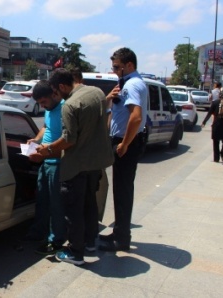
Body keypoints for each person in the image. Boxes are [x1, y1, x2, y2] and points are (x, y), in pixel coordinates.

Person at [36, 68, 114, 265]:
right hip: (96, 163)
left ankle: (75, 253)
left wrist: (47, 149)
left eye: (55, 91)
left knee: (73, 211)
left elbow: (68, 140)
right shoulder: (97, 93)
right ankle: (89, 243)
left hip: (77, 165)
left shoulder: (70, 105)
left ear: (62, 86)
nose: (56, 95)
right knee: (90, 205)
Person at [99, 47, 148, 252]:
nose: (114, 71)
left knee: (122, 191)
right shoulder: (129, 83)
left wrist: (125, 143)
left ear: (129, 65)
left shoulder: (132, 85)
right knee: (122, 189)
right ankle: (120, 232)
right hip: (125, 140)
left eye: (117, 67)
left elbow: (135, 117)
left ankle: (121, 238)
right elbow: (118, 112)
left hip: (126, 142)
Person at [22, 80, 66, 255]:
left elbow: (67, 139)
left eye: (44, 102)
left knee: (57, 206)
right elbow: (46, 127)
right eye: (39, 103)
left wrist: (45, 152)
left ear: (54, 95)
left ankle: (56, 240)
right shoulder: (49, 110)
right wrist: (36, 140)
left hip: (57, 164)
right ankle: (39, 232)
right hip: (45, 162)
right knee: (42, 201)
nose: (42, 106)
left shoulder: (64, 109)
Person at [202, 88, 223, 163]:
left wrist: (204, 122)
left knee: (216, 142)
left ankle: (216, 159)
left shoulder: (215, 102)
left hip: (217, 124)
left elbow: (209, 113)